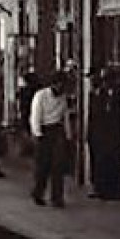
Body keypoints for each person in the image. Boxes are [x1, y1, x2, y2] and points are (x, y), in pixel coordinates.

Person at [29, 72, 70, 208]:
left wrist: (68, 135)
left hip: (57, 130)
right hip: (44, 130)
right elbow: (35, 115)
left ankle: (57, 197)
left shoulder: (63, 97)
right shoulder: (41, 96)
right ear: (54, 84)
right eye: (59, 84)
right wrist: (37, 134)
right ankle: (38, 193)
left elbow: (65, 116)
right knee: (43, 165)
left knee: (58, 165)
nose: (61, 87)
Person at [87, 67, 120, 200]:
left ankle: (116, 189)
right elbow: (93, 116)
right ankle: (101, 189)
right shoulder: (97, 95)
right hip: (100, 134)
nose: (105, 84)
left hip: (114, 134)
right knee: (100, 161)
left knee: (114, 160)